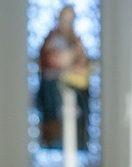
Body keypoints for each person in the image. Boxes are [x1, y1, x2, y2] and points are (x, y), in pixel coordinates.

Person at [36, 5, 92, 151]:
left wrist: (73, 62)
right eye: (64, 19)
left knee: (76, 114)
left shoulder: (76, 41)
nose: (67, 23)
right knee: (54, 107)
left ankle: (77, 143)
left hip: (73, 88)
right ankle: (54, 142)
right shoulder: (51, 38)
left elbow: (83, 62)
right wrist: (60, 61)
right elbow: (46, 60)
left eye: (70, 20)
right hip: (53, 85)